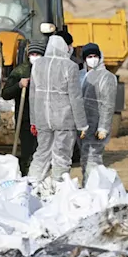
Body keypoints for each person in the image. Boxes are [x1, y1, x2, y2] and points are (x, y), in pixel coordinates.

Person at [28, 35, 87, 185]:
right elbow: (75, 97)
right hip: (64, 119)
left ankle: (32, 183)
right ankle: (58, 186)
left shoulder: (38, 65)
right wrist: (81, 124)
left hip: (42, 118)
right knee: (61, 155)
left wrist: (33, 121)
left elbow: (32, 95)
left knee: (42, 153)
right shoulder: (70, 66)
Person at [2, 41, 43, 175]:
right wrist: (18, 85)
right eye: (32, 54)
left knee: (42, 153)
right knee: (27, 151)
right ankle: (25, 175)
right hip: (25, 119)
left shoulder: (48, 71)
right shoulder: (20, 71)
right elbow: (6, 94)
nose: (35, 56)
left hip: (45, 119)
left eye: (38, 54)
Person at [79, 43, 117, 182]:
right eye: (89, 56)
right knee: (85, 158)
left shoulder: (106, 77)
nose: (92, 59)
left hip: (96, 126)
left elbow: (108, 104)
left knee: (93, 159)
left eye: (95, 56)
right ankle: (87, 186)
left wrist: (103, 127)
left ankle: (95, 188)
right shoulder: (82, 75)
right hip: (83, 126)